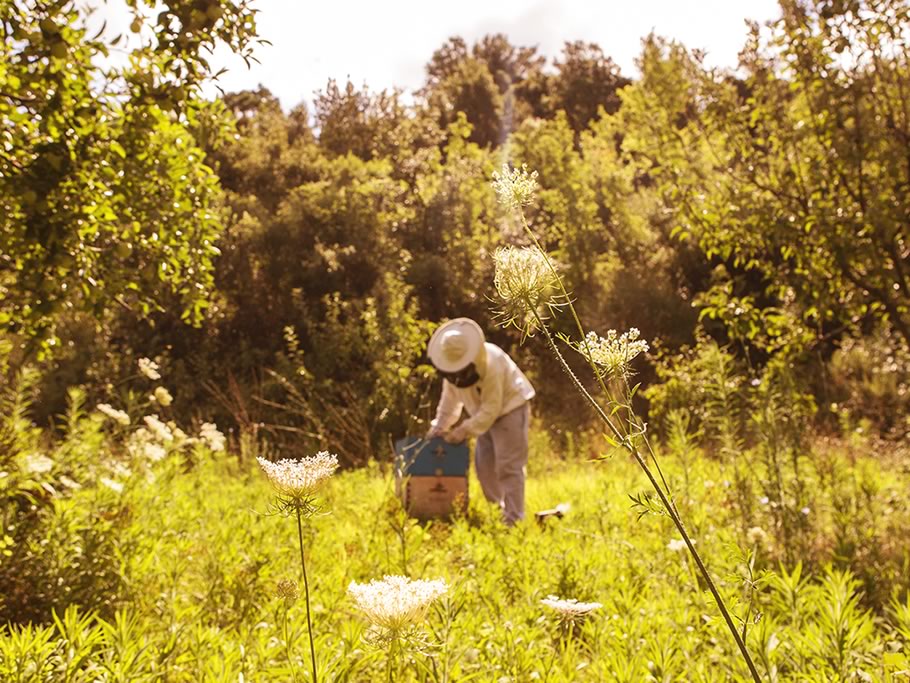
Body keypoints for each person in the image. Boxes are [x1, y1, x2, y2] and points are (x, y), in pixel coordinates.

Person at [426, 318, 535, 525]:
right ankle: (498, 512)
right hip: (481, 417)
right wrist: (439, 428)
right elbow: (449, 404)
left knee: (508, 467)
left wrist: (463, 431)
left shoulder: (491, 362)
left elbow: (492, 408)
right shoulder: (451, 370)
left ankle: (514, 520)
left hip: (510, 409)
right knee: (484, 467)